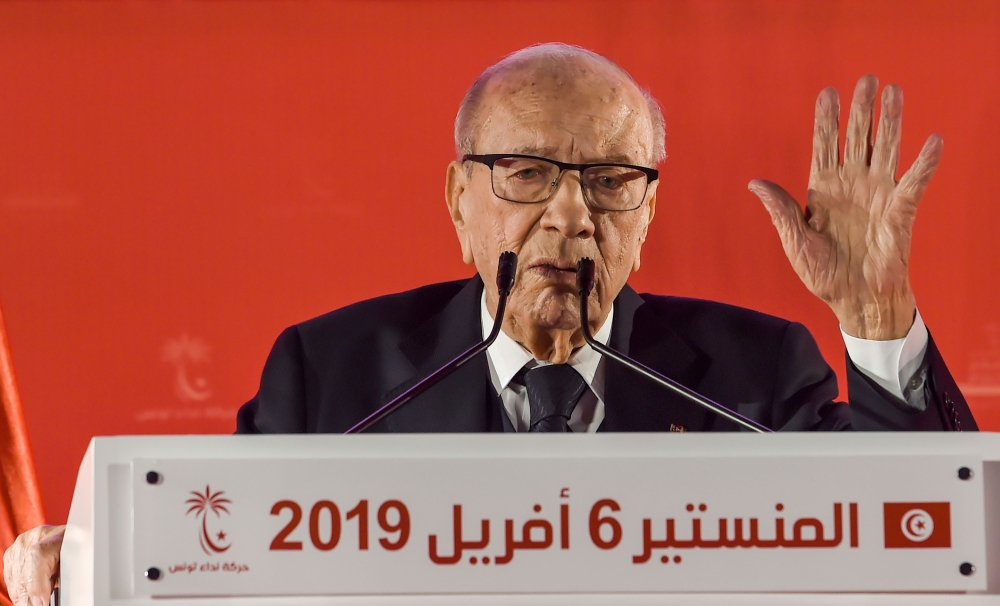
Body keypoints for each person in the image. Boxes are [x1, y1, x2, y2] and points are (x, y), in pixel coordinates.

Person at [3, 43, 976, 606]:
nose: (570, 215)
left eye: (610, 180)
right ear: (458, 202)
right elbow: (222, 558)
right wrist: (91, 561)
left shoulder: (754, 373)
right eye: (527, 174)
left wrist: (873, 313)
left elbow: (929, 539)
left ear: (648, 211)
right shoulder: (330, 374)